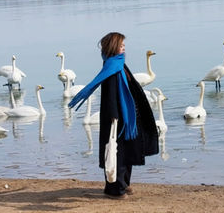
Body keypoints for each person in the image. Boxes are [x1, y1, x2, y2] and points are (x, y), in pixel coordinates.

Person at [68, 32, 159, 197]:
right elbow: (110, 94)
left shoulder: (119, 64)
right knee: (117, 153)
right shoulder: (112, 67)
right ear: (113, 47)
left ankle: (124, 183)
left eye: (124, 45)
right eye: (121, 45)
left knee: (128, 152)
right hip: (117, 118)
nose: (124, 48)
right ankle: (115, 189)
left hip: (128, 117)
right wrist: (114, 116)